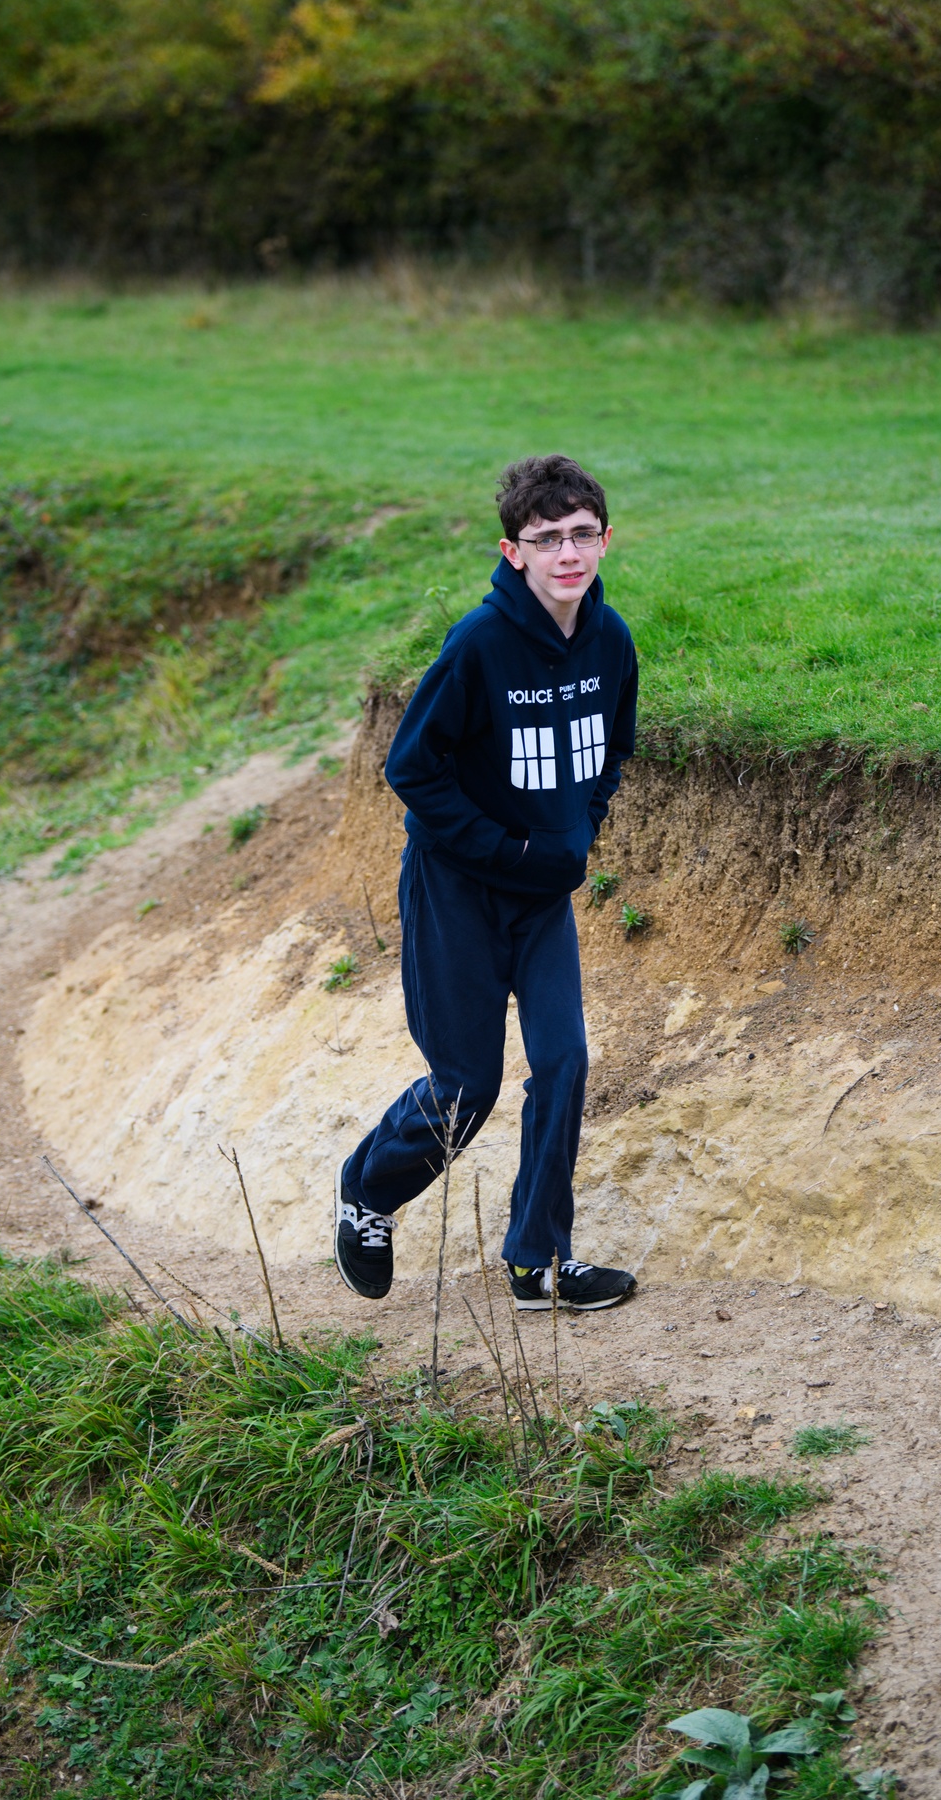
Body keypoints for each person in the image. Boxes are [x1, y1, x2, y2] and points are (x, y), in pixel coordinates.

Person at [333, 454, 639, 1312]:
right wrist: (504, 849)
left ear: (605, 540)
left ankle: (538, 1261)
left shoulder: (611, 641)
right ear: (513, 552)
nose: (567, 553)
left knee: (563, 1062)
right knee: (467, 1083)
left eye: (581, 534)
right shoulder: (478, 644)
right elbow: (411, 768)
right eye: (547, 539)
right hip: (456, 891)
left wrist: (579, 830)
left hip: (542, 895)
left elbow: (613, 748)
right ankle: (367, 1192)